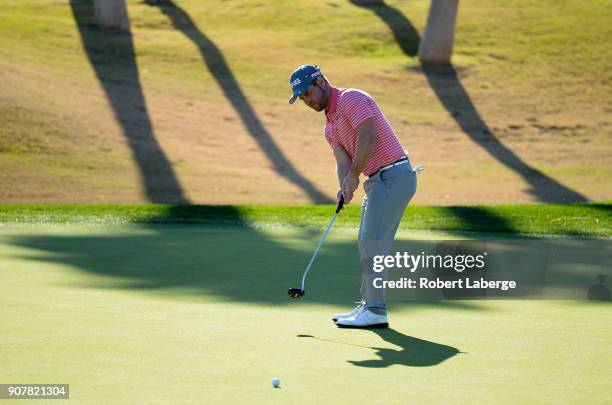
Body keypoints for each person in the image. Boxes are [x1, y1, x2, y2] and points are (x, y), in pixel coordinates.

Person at [288, 64, 418, 328]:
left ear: (321, 81)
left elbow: (367, 137)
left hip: (393, 175)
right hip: (378, 181)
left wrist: (354, 176)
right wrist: (344, 185)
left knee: (372, 243)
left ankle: (375, 310)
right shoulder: (329, 125)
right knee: (368, 242)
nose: (307, 101)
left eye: (307, 93)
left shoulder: (351, 99)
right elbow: (342, 161)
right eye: (302, 98)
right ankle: (369, 306)